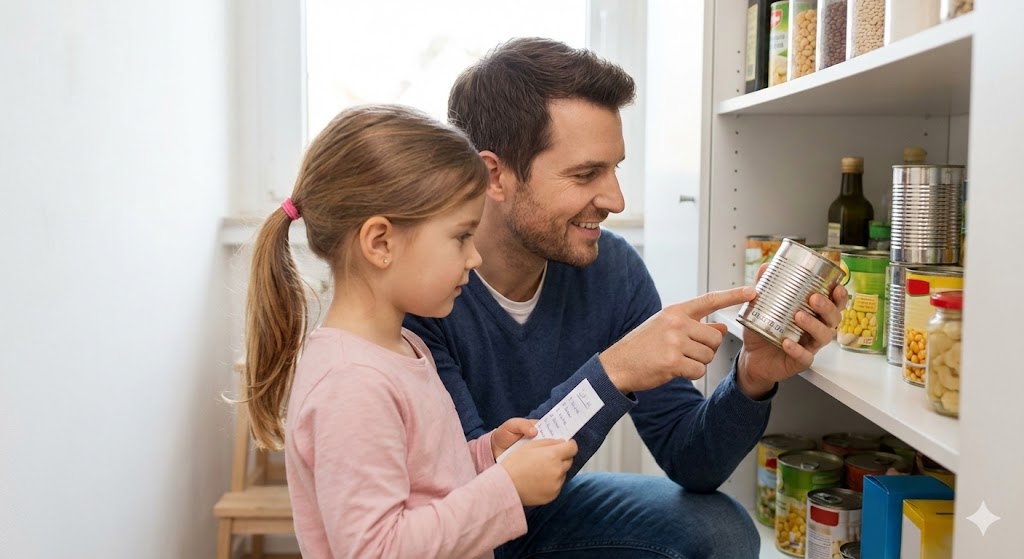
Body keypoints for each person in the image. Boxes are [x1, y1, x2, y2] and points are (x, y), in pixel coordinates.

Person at [403, 38, 847, 558]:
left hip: (546, 514)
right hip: (450, 532)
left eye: (615, 168)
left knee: (721, 531)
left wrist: (752, 378)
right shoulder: (422, 289)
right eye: (585, 174)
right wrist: (610, 375)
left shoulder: (610, 269)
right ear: (495, 175)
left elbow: (693, 462)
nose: (615, 200)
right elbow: (474, 494)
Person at [242, 104, 579, 559]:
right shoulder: (352, 384)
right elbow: (376, 550)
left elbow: (425, 483)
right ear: (380, 243)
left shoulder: (403, 346)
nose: (474, 257)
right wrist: (506, 490)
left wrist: (486, 457)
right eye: (461, 236)